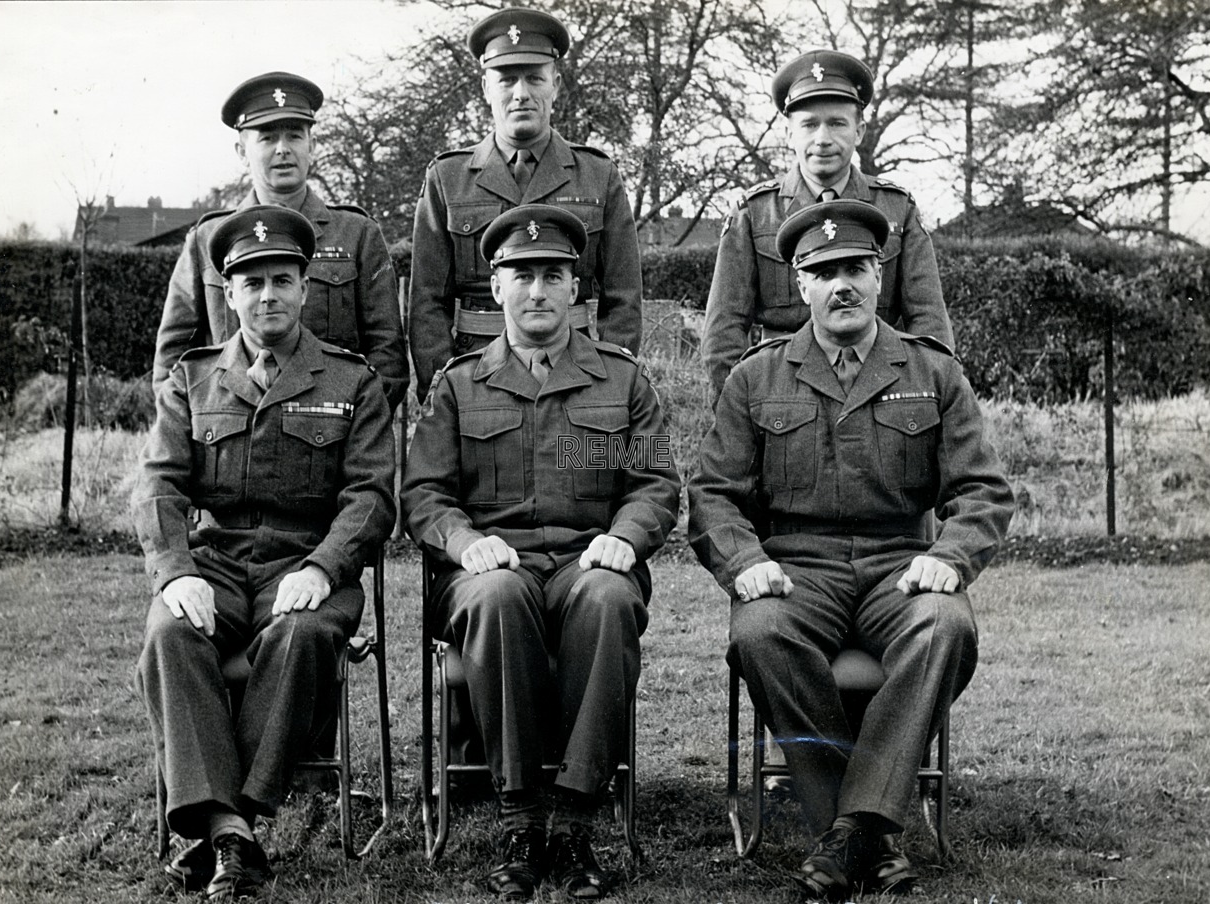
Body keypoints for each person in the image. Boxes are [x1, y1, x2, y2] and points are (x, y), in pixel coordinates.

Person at [688, 200, 1014, 901]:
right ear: (799, 286)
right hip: (798, 566)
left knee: (946, 622)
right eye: (824, 271)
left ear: (879, 275)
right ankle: (872, 832)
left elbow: (984, 491)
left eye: (856, 269)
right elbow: (713, 494)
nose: (842, 285)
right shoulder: (756, 377)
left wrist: (950, 556)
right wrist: (747, 564)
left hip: (901, 563)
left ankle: (847, 832)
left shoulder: (933, 371)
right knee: (760, 632)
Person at [402, 205, 679, 900]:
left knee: (610, 596)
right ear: (494, 288)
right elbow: (424, 494)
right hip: (489, 572)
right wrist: (464, 544)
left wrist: (626, 536)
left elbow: (654, 483)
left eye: (552, 275)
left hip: (588, 564)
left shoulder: (622, 381)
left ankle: (577, 820)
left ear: (576, 288)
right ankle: (521, 817)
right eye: (520, 275)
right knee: (498, 596)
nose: (536, 291)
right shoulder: (458, 387)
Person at [134, 206, 396, 900]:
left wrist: (323, 567)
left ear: (306, 288)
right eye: (252, 283)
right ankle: (237, 832)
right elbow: (157, 484)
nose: (268, 295)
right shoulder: (192, 379)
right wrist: (175, 571)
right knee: (168, 632)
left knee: (303, 634)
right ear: (229, 293)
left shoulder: (351, 381)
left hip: (307, 561)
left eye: (283, 280)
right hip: (216, 562)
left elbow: (371, 495)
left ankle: (226, 825)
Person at [408, 7, 643, 403]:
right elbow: (428, 303)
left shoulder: (598, 175)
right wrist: (445, 393)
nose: (521, 94)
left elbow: (624, 298)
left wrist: (612, 387)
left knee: (586, 465)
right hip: (476, 372)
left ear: (556, 84)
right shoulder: (447, 179)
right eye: (506, 80)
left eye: (534, 78)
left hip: (577, 373)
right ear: (486, 88)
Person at [701, 49, 953, 408]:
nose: (822, 138)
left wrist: (921, 402)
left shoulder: (898, 208)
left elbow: (929, 323)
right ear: (789, 133)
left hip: (878, 389)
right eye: (809, 124)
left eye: (837, 123)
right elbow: (723, 331)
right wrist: (736, 414)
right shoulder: (755, 214)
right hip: (781, 394)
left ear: (859, 130)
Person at [152, 71, 408, 411]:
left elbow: (387, 354)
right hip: (229, 437)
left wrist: (356, 424)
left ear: (312, 146)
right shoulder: (208, 239)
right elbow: (173, 357)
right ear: (242, 152)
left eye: (294, 136)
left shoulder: (357, 234)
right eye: (268, 138)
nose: (283, 149)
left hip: (329, 435)